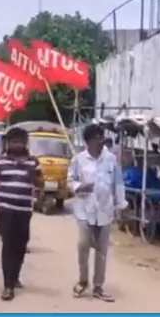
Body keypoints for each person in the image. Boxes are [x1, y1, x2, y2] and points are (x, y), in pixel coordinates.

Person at [67, 124, 126, 303]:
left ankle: (98, 286)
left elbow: (118, 183)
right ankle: (83, 280)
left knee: (102, 250)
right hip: (85, 209)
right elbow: (70, 180)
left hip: (105, 210)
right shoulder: (79, 159)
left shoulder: (111, 159)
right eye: (97, 138)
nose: (101, 141)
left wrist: (121, 204)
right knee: (84, 244)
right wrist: (79, 186)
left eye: (102, 137)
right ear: (89, 141)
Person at [0, 127, 42, 301]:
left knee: (21, 245)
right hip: (5, 209)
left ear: (25, 143)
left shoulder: (33, 162)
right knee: (8, 245)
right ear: (8, 143)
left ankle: (15, 276)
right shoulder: (0, 161)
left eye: (20, 141)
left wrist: (33, 176)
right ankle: (8, 285)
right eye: (14, 141)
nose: (17, 144)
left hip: (24, 211)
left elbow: (40, 183)